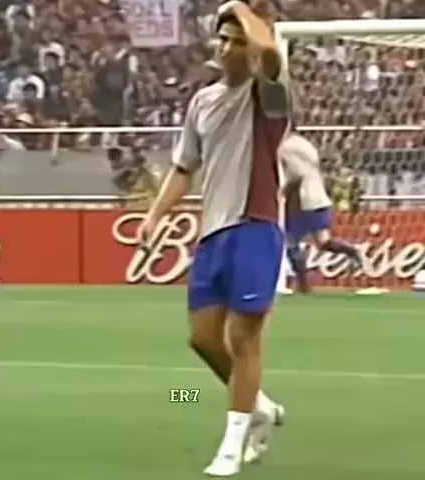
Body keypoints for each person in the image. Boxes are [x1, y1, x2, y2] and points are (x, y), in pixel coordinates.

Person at [140, 1, 288, 475]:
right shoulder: (202, 102)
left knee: (244, 339)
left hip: (256, 227)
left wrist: (238, 6)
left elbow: (269, 49)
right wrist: (155, 215)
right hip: (214, 232)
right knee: (203, 338)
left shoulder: (268, 95)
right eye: (222, 39)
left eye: (237, 41)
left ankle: (232, 443)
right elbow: (185, 167)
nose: (226, 48)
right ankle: (259, 406)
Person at [281, 132, 362, 293]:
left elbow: (297, 174)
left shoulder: (285, 146)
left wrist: (284, 191)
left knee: (290, 242)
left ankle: (303, 286)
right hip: (319, 198)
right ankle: (352, 251)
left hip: (303, 201)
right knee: (324, 242)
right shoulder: (302, 142)